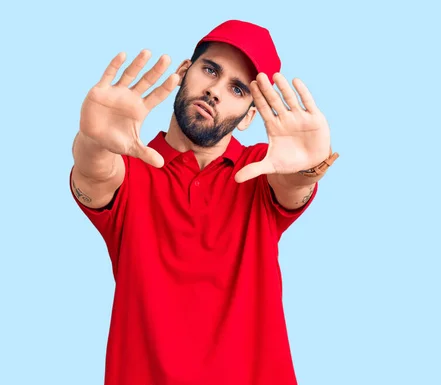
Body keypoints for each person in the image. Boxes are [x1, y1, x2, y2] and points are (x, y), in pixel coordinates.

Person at [69, 19, 338, 385]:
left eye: (238, 90)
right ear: (184, 72)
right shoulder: (130, 170)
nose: (215, 91)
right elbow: (94, 173)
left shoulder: (260, 170)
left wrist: (310, 167)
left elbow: (292, 185)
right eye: (210, 70)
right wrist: (92, 140)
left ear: (249, 118)